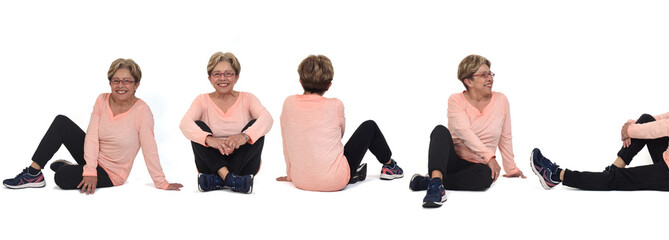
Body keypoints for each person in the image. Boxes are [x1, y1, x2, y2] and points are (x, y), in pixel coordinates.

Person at [531, 55, 669, 192]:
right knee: (646, 118)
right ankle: (615, 167)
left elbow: (667, 127)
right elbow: (662, 118)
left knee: (617, 181)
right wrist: (632, 124)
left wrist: (631, 130)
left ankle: (557, 175)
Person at [3, 58, 183, 194]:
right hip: (93, 157)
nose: (121, 85)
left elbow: (149, 148)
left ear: (137, 84)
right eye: (116, 80)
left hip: (111, 172)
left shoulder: (142, 111)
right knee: (61, 122)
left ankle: (68, 167)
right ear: (110, 82)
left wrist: (162, 183)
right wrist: (89, 169)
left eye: (127, 81)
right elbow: (91, 136)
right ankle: (34, 174)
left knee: (61, 178)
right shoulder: (102, 99)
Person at [409, 54, 526, 208]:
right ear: (468, 81)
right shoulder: (455, 100)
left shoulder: (501, 100)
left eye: (490, 73)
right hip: (453, 161)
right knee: (440, 131)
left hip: (478, 166)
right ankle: (436, 186)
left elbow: (505, 136)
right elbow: (465, 133)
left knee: (486, 178)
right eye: (483, 75)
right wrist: (490, 157)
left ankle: (432, 181)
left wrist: (511, 169)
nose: (489, 78)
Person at [277, 55, 404, 192]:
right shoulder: (335, 105)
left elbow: (287, 141)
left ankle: (351, 172)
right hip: (335, 181)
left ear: (300, 81)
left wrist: (291, 175)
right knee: (369, 126)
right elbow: (339, 135)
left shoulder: (288, 103)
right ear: (329, 85)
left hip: (300, 180)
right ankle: (389, 165)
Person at [180, 52, 272, 194]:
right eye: (217, 74)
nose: (222, 78)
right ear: (210, 78)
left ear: (236, 77)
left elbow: (267, 119)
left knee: (256, 125)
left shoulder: (247, 98)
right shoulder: (201, 100)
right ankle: (230, 179)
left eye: (228, 73)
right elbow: (184, 124)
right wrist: (209, 140)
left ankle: (218, 180)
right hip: (210, 163)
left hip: (244, 164)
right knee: (197, 127)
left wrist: (244, 137)